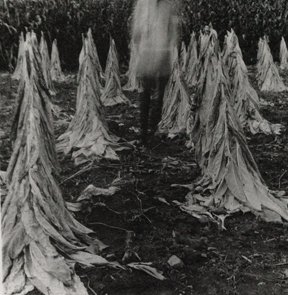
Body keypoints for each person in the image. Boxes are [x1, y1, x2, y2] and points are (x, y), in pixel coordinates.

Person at [132, 0, 179, 145]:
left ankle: (151, 130)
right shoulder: (142, 4)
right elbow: (136, 32)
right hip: (147, 52)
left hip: (162, 53)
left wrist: (169, 49)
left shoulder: (167, 6)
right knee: (145, 94)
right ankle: (143, 132)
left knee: (159, 96)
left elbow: (173, 32)